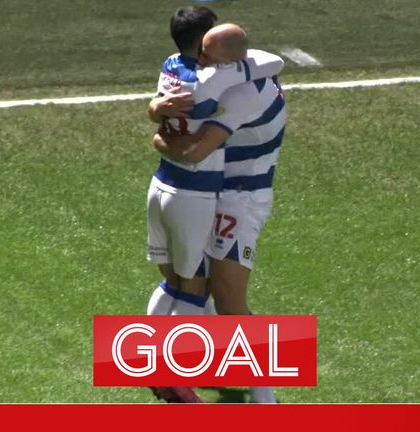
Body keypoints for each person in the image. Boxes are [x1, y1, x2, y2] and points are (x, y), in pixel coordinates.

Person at [144, 7, 284, 404]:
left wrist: (159, 137)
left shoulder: (241, 92)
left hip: (241, 199)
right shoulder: (230, 74)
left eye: (208, 53)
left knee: (227, 298)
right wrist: (156, 111)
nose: (201, 59)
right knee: (190, 284)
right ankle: (169, 370)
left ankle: (264, 397)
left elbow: (195, 150)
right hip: (211, 192)